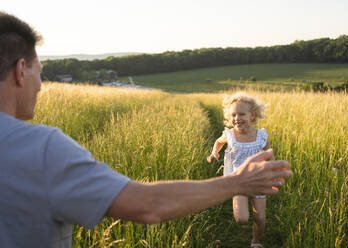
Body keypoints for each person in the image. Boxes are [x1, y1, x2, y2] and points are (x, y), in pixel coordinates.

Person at [0, 11, 293, 248]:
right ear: (21, 70)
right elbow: (146, 206)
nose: (41, 84)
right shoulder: (41, 148)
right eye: (40, 73)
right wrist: (235, 183)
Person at [207, 92, 272, 248]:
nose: (236, 118)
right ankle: (239, 202)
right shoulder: (230, 135)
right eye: (233, 115)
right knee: (242, 218)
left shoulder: (261, 136)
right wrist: (214, 152)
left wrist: (271, 172)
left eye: (241, 114)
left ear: (252, 115)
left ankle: (256, 241)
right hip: (239, 181)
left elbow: (268, 154)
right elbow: (218, 142)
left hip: (258, 180)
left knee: (260, 218)